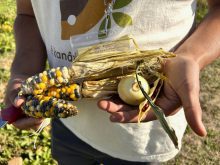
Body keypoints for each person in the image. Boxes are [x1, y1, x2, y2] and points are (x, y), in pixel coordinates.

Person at [5, 0, 220, 164]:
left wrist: (191, 56)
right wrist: (23, 70)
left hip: (142, 137)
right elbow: (27, 13)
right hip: (69, 123)